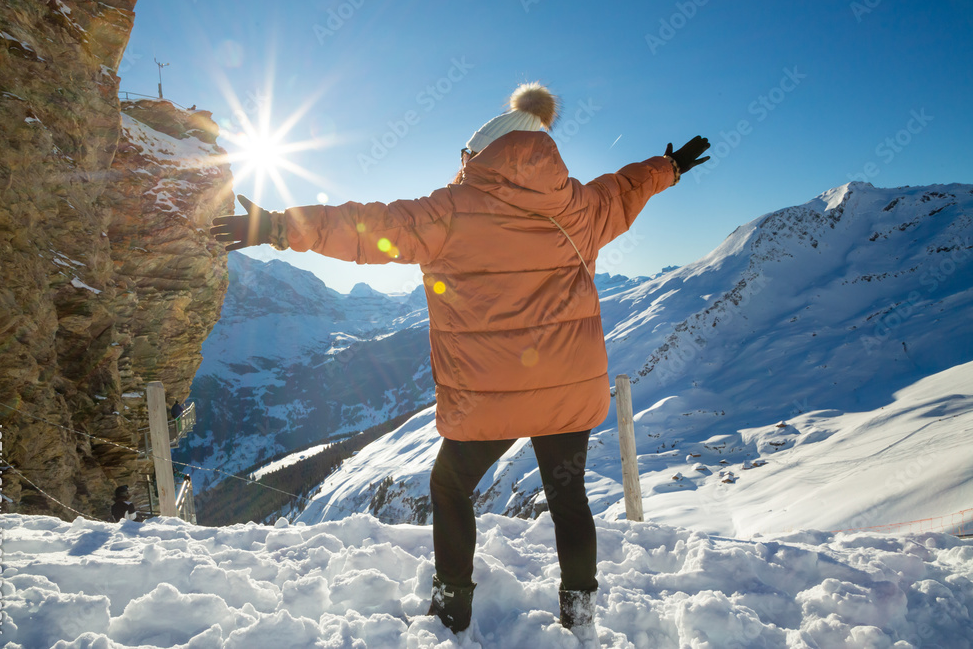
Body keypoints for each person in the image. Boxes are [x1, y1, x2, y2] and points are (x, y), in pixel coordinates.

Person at [210, 82, 709, 636]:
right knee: (568, 495)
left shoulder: (449, 212)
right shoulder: (581, 208)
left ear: (480, 156)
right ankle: (580, 609)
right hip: (567, 390)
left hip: (487, 395)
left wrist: (277, 226)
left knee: (450, 487)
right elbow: (625, 190)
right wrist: (668, 168)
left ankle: (453, 606)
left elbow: (366, 227)